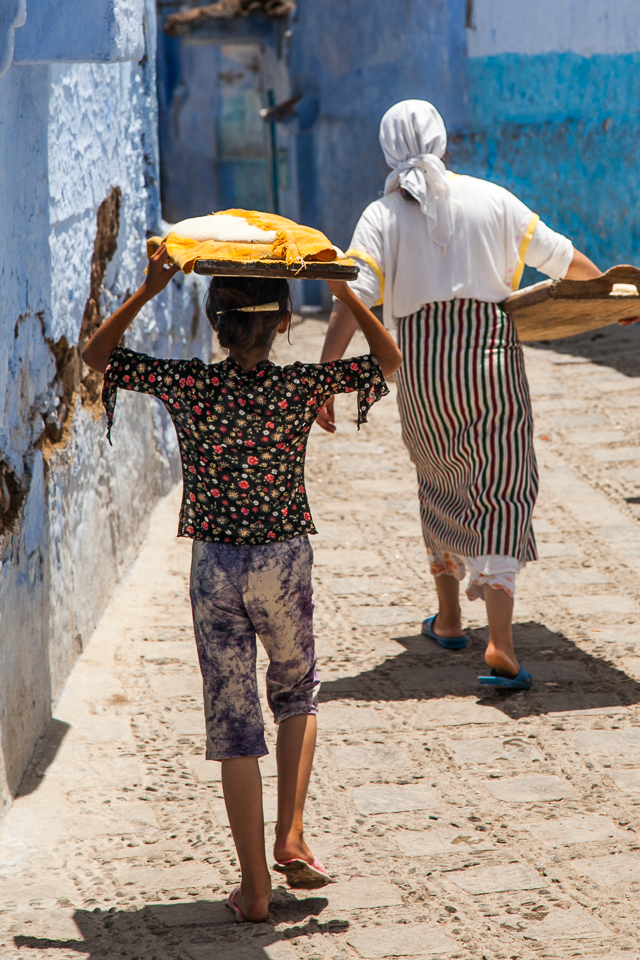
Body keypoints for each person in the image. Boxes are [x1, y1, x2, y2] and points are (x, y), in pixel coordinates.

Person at [82, 243, 401, 922]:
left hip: (216, 568)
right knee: (297, 692)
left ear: (215, 323)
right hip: (283, 561)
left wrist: (146, 289)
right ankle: (291, 833)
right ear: (285, 322)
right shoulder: (298, 389)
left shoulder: (192, 386)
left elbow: (97, 356)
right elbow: (389, 362)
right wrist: (341, 290)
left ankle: (254, 890)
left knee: (234, 729)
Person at [317, 99, 603, 691]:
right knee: (500, 485)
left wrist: (326, 373)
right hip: (492, 357)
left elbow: (355, 296)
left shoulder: (381, 215)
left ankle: (449, 620)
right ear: (443, 141)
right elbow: (559, 256)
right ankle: (499, 641)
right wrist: (609, 293)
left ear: (388, 147)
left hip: (422, 367)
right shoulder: (492, 199)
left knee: (439, 481)